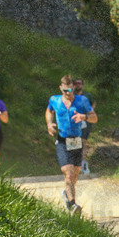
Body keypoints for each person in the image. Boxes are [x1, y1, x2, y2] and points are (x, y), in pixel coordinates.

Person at [46, 75, 97, 215]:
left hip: (77, 141)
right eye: (65, 91)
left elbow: (94, 118)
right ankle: (73, 204)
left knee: (75, 173)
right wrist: (49, 124)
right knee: (68, 172)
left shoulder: (82, 101)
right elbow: (48, 111)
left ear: (73, 88)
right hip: (62, 140)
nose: (68, 94)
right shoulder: (54, 100)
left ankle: (67, 193)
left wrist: (84, 117)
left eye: (70, 90)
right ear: (60, 88)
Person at [74, 78, 96, 174]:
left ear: (82, 85)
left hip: (85, 119)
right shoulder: (72, 95)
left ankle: (83, 162)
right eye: (76, 83)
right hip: (75, 119)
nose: (78, 85)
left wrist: (89, 112)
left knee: (83, 141)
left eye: (79, 83)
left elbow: (93, 103)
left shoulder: (87, 95)